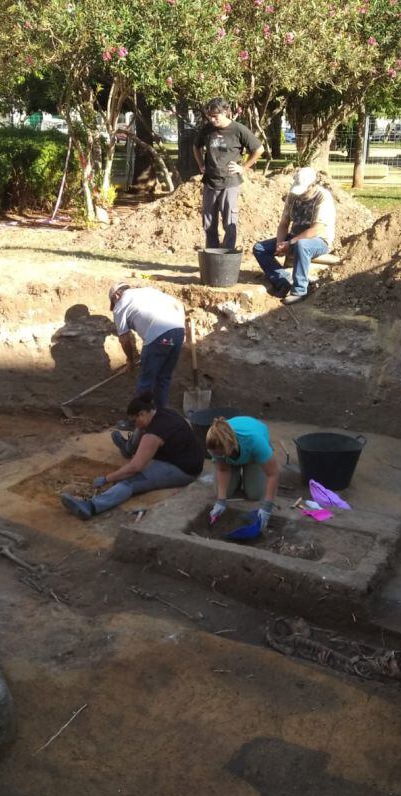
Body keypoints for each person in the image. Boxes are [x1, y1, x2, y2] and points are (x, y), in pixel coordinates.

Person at [61, 392, 204, 520]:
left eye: (133, 420)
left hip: (183, 470)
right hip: (186, 457)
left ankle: (92, 507)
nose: (133, 424)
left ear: (142, 414)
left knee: (130, 481)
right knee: (140, 431)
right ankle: (128, 448)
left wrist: (106, 479)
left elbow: (135, 467)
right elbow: (143, 428)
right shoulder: (161, 413)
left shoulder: (154, 434)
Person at [251, 166, 336, 305]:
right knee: (260, 248)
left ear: (313, 185)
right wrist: (280, 244)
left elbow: (317, 229)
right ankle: (284, 280)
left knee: (302, 245)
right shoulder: (293, 195)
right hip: (295, 238)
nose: (300, 194)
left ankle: (299, 290)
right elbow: (284, 224)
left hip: (318, 240)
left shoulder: (322, 197)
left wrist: (290, 243)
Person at [192, 98, 262, 252]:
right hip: (210, 181)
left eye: (215, 116)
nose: (212, 119)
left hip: (230, 182)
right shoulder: (207, 129)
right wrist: (201, 165)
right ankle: (212, 253)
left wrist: (243, 167)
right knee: (209, 222)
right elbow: (196, 146)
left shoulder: (239, 130)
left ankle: (228, 254)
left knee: (229, 221)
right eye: (210, 116)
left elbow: (259, 149)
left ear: (226, 112)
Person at [108, 282, 185, 410]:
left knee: (146, 381)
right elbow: (178, 304)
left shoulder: (120, 305)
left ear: (116, 296)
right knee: (163, 378)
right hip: (178, 331)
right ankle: (160, 417)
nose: (114, 306)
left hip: (158, 335)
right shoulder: (148, 291)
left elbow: (124, 339)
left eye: (113, 302)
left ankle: (140, 421)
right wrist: (181, 329)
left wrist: (130, 361)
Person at [205, 415, 280, 533]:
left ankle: (248, 470)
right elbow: (222, 469)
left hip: (253, 455)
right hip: (231, 455)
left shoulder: (255, 440)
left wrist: (267, 507)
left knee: (254, 495)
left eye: (220, 453)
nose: (216, 455)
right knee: (225, 492)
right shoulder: (214, 444)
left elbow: (273, 474)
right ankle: (236, 473)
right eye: (216, 453)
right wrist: (221, 500)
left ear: (229, 446)